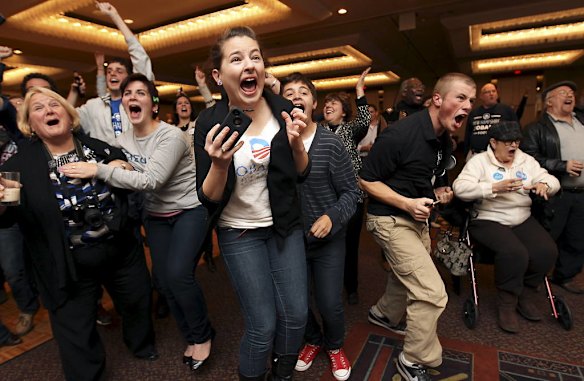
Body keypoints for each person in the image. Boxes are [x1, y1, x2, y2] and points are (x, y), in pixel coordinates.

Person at [0, 86, 157, 381]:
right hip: (66, 262)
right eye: (39, 108)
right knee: (74, 327)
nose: (48, 110)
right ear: (29, 125)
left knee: (137, 301)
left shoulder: (99, 148)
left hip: (120, 249)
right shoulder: (14, 167)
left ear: (68, 114)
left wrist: (119, 165)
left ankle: (141, 345)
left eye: (54, 105)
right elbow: (5, 218)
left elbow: (126, 170)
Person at [61, 74, 215, 372]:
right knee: (164, 282)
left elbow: (151, 180)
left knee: (179, 276)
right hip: (156, 217)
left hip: (188, 211)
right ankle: (191, 333)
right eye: (128, 93)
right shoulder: (120, 141)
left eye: (141, 93)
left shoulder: (171, 135)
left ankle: (202, 335)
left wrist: (101, 169)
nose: (133, 97)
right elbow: (113, 162)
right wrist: (117, 164)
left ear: (154, 104)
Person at [194, 26, 310, 381]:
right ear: (218, 76)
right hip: (238, 232)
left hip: (284, 226)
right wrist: (219, 164)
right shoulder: (210, 123)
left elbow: (301, 173)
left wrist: (295, 145)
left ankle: (283, 372)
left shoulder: (284, 110)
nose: (250, 65)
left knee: (297, 316)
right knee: (262, 324)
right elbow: (208, 197)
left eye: (255, 57)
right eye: (237, 58)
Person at [360, 73, 476, 381]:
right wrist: (406, 203)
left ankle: (384, 314)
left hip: (417, 220)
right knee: (431, 292)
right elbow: (366, 179)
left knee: (407, 274)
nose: (467, 106)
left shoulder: (444, 140)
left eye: (471, 101)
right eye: (460, 98)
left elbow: (432, 178)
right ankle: (412, 360)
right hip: (388, 219)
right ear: (438, 99)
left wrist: (440, 191)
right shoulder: (400, 135)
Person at [281, 72, 359, 381]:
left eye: (303, 92)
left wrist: (332, 216)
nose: (296, 96)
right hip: (290, 240)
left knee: (328, 302)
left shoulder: (331, 143)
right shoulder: (274, 144)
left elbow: (352, 193)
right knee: (295, 303)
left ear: (314, 102)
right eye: (289, 93)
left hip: (328, 239)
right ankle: (312, 339)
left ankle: (335, 345)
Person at [453, 121, 560, 332]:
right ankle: (507, 304)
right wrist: (492, 187)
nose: (513, 146)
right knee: (514, 252)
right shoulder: (479, 162)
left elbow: (551, 179)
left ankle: (526, 294)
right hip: (487, 218)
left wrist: (544, 185)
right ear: (493, 142)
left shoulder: (526, 160)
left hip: (521, 216)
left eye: (516, 141)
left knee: (547, 251)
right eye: (508, 142)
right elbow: (460, 188)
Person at [522, 80, 584, 294]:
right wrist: (561, 165)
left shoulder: (582, 122)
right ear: (549, 102)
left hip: (581, 193)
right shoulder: (536, 129)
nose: (569, 95)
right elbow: (529, 158)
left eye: (571, 92)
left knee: (577, 237)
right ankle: (535, 277)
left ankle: (565, 276)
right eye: (562, 93)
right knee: (547, 237)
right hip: (555, 194)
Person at [319, 68, 371, 305]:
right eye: (326, 102)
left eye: (334, 103)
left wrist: (359, 91)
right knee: (326, 244)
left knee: (350, 245)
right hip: (324, 198)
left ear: (344, 111)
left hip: (352, 198)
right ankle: (324, 287)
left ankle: (351, 287)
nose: (328, 105)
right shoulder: (317, 131)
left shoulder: (350, 130)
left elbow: (364, 119)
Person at [1, 46, 40, 337]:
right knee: (13, 269)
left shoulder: (22, 136)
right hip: (5, 217)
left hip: (32, 206)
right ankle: (28, 307)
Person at [75, 1, 155, 144]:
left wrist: (114, 16)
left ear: (129, 78)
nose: (112, 74)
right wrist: (74, 93)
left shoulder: (136, 102)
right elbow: (67, 118)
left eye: (119, 71)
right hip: (104, 164)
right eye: (109, 71)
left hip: (137, 163)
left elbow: (140, 56)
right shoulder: (93, 106)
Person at [463, 83, 517, 159]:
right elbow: (468, 135)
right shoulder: (474, 113)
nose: (491, 94)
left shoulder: (507, 110)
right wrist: (465, 154)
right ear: (481, 96)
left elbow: (516, 133)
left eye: (493, 91)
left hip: (498, 155)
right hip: (475, 155)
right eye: (487, 92)